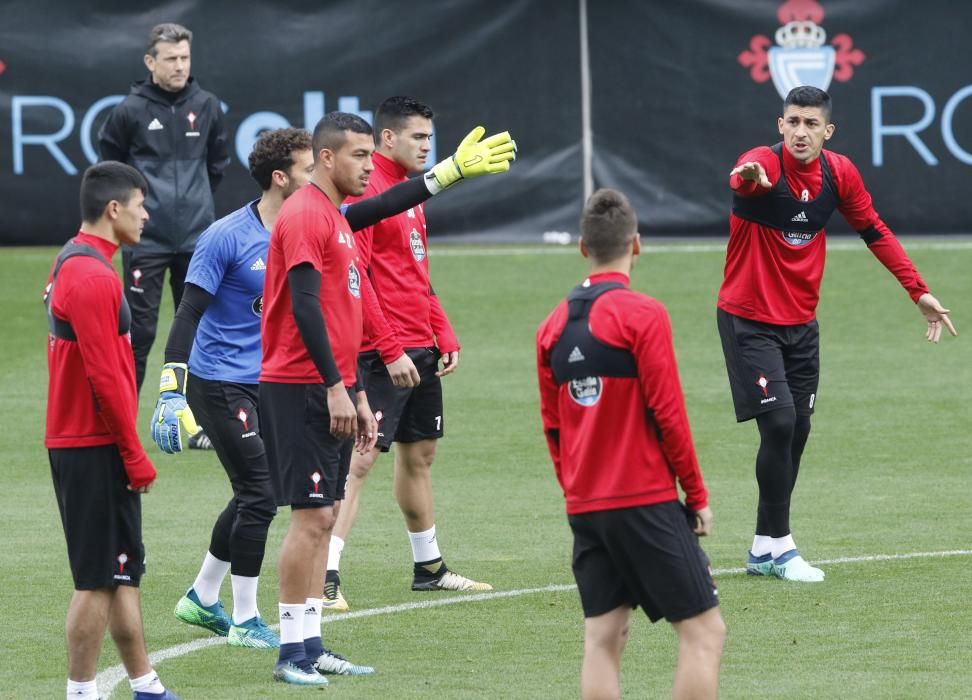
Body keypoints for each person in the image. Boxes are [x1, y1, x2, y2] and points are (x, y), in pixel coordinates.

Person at [151, 125, 491, 668]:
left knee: (277, 502)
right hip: (239, 381)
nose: (358, 168)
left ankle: (212, 601)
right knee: (269, 498)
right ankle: (253, 624)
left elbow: (376, 221)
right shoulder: (249, 231)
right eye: (317, 166)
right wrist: (173, 387)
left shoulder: (321, 218)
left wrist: (445, 174)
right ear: (288, 175)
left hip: (285, 379)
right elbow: (200, 311)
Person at [258, 112, 516, 685]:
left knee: (322, 516)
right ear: (326, 159)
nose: (369, 166)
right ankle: (290, 653)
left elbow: (380, 210)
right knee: (308, 521)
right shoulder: (306, 215)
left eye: (371, 156)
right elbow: (304, 307)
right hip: (300, 386)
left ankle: (310, 644)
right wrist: (336, 386)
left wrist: (445, 176)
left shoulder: (333, 215)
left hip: (328, 383)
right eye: (358, 156)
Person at [720, 85, 957, 583]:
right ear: (780, 124)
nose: (800, 132)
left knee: (798, 431)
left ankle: (764, 548)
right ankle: (783, 549)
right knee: (781, 423)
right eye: (793, 122)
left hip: (802, 325)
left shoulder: (838, 173)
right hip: (749, 321)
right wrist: (748, 177)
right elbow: (743, 176)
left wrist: (919, 292)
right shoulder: (763, 164)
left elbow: (874, 229)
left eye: (811, 124)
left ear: (827, 131)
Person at [325, 96, 515, 610]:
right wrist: (388, 350)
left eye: (431, 138)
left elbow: (414, 272)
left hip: (419, 347)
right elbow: (357, 280)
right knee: (360, 460)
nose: (428, 147)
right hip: (383, 352)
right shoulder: (368, 193)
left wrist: (442, 330)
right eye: (418, 138)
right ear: (387, 139)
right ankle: (326, 575)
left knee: (420, 456)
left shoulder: (411, 195)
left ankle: (429, 566)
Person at [536, 189, 725, 700]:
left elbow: (554, 429)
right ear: (636, 245)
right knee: (704, 633)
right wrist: (697, 496)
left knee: (604, 636)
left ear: (582, 248)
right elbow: (669, 415)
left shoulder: (551, 327)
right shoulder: (642, 315)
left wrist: (575, 490)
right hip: (643, 500)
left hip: (586, 505)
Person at [44, 161, 179, 700]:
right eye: (141, 205)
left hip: (87, 442)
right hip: (93, 445)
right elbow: (105, 378)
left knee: (121, 571)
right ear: (114, 209)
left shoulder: (77, 259)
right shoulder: (93, 276)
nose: (148, 215)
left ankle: (145, 684)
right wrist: (134, 454)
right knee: (97, 579)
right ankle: (80, 692)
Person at [98, 22, 230, 452]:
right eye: (170, 58)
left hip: (198, 240)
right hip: (147, 241)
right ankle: (122, 429)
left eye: (184, 58)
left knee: (197, 330)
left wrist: (193, 208)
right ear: (150, 61)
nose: (179, 66)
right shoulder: (128, 111)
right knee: (139, 334)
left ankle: (194, 425)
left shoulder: (208, 105)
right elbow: (110, 172)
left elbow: (217, 165)